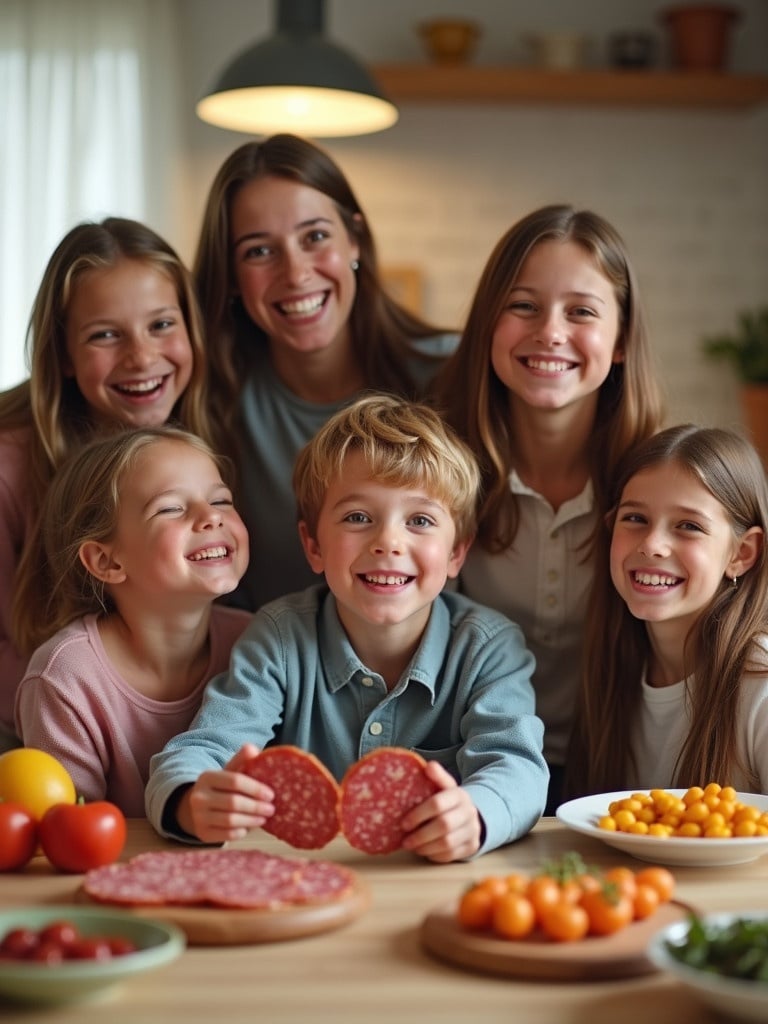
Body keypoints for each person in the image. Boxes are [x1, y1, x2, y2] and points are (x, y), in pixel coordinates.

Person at [146, 395, 548, 863]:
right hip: (299, 881)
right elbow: (204, 747)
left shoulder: (490, 648)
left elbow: (516, 765)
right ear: (313, 545)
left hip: (432, 882)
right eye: (358, 518)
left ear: (457, 552)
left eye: (419, 520)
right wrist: (190, 801)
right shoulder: (276, 638)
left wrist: (476, 816)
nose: (388, 543)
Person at [432, 205, 665, 814]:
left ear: (619, 342)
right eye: (523, 306)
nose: (550, 332)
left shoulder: (659, 490)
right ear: (488, 324)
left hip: (618, 783)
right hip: (461, 780)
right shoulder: (432, 477)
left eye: (581, 311)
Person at [194, 133, 458, 611]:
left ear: (353, 237)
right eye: (258, 251)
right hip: (265, 674)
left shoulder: (451, 376)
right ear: (230, 275)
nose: (295, 274)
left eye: (315, 237)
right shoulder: (205, 397)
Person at [0, 216, 214, 752]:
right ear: (65, 355)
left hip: (177, 737)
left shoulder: (201, 443)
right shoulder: (8, 467)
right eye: (105, 335)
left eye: (162, 324)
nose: (142, 357)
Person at [13, 426, 251, 817]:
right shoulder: (64, 677)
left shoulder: (257, 642)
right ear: (107, 561)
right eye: (171, 507)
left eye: (221, 500)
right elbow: (68, 834)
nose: (211, 517)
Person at [566, 424, 768, 797]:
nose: (653, 545)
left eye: (688, 526)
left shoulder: (761, 686)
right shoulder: (611, 666)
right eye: (635, 518)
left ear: (742, 554)